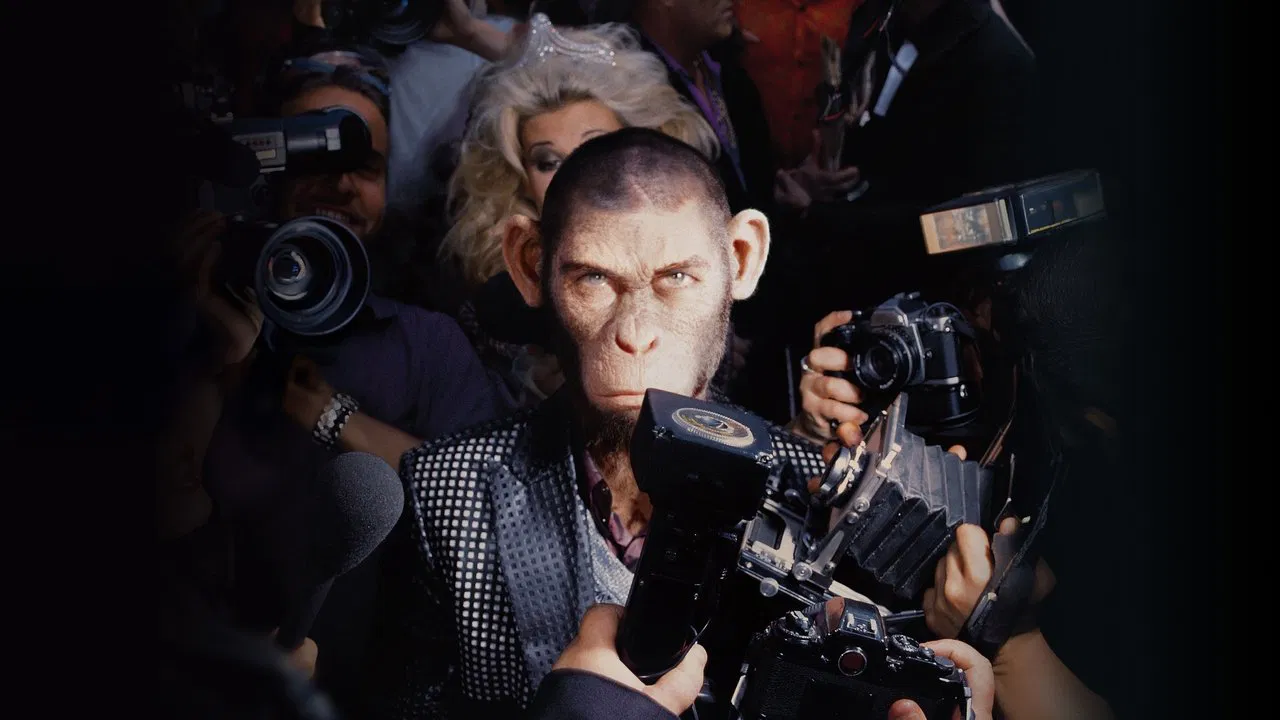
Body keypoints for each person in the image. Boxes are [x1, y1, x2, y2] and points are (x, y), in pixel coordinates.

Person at [362, 127, 830, 718]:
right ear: (530, 265)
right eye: (594, 279)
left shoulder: (820, 492)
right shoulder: (448, 491)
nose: (635, 333)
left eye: (677, 278)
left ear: (741, 258)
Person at [199, 45, 504, 714]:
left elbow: (489, 519)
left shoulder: (425, 343)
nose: (341, 185)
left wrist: (332, 416)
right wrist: (211, 360)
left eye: (365, 167)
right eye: (316, 157)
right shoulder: (193, 327)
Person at [434, 15, 722, 408]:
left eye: (595, 149)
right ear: (520, 181)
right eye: (548, 162)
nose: (574, 176)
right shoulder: (495, 308)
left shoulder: (698, 267)